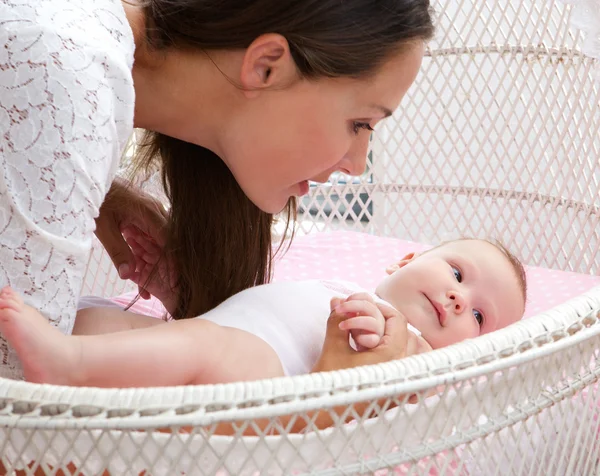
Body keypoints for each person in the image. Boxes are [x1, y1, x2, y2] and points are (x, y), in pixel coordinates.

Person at [0, 0, 434, 380]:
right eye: (360, 124)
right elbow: (19, 409)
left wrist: (100, 194)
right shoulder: (65, 72)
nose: (357, 165)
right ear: (266, 65)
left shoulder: (73, 60)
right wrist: (326, 399)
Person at [0, 238, 526, 388]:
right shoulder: (344, 284)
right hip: (214, 334)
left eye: (479, 318)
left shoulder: (411, 345)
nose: (460, 300)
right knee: (98, 315)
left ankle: (66, 364)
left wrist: (396, 349)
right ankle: (56, 356)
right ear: (405, 259)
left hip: (258, 377)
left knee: (204, 345)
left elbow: (391, 381)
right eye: (458, 274)